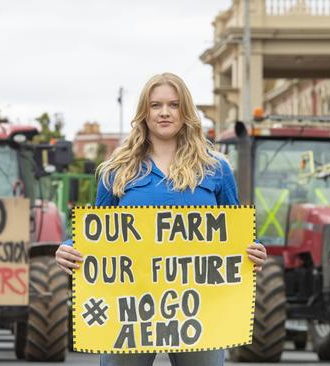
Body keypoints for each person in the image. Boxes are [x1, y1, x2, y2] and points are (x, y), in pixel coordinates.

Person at [55, 72, 267, 366]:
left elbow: (238, 233)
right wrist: (67, 247)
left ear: (186, 112)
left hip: (199, 307)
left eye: (174, 105)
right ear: (144, 112)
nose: (165, 112)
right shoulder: (116, 170)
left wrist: (254, 250)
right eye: (156, 105)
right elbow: (96, 233)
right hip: (129, 307)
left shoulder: (215, 168)